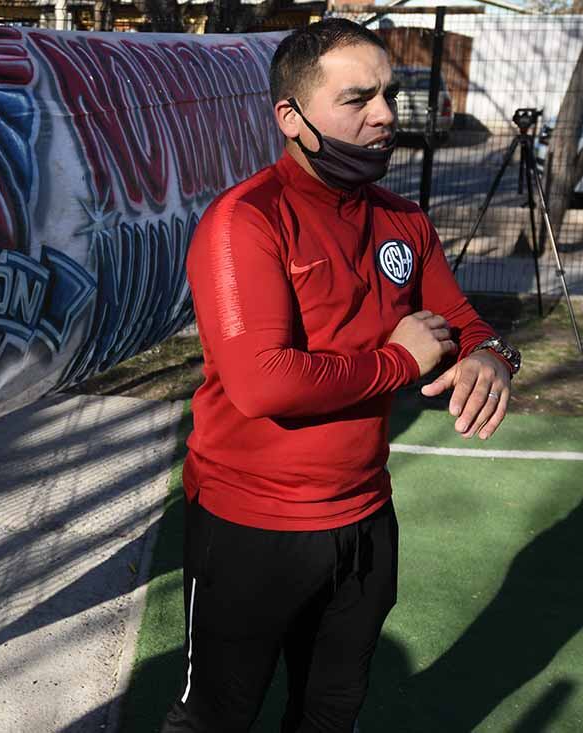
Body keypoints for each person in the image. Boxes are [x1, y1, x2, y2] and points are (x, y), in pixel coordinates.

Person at [161, 18, 522, 733]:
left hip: (364, 523)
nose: (385, 114)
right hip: (249, 529)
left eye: (388, 94)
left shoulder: (404, 221)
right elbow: (263, 381)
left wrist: (492, 357)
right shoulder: (244, 221)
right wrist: (397, 361)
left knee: (332, 711)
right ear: (290, 117)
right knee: (215, 719)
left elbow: (461, 322)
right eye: (358, 99)